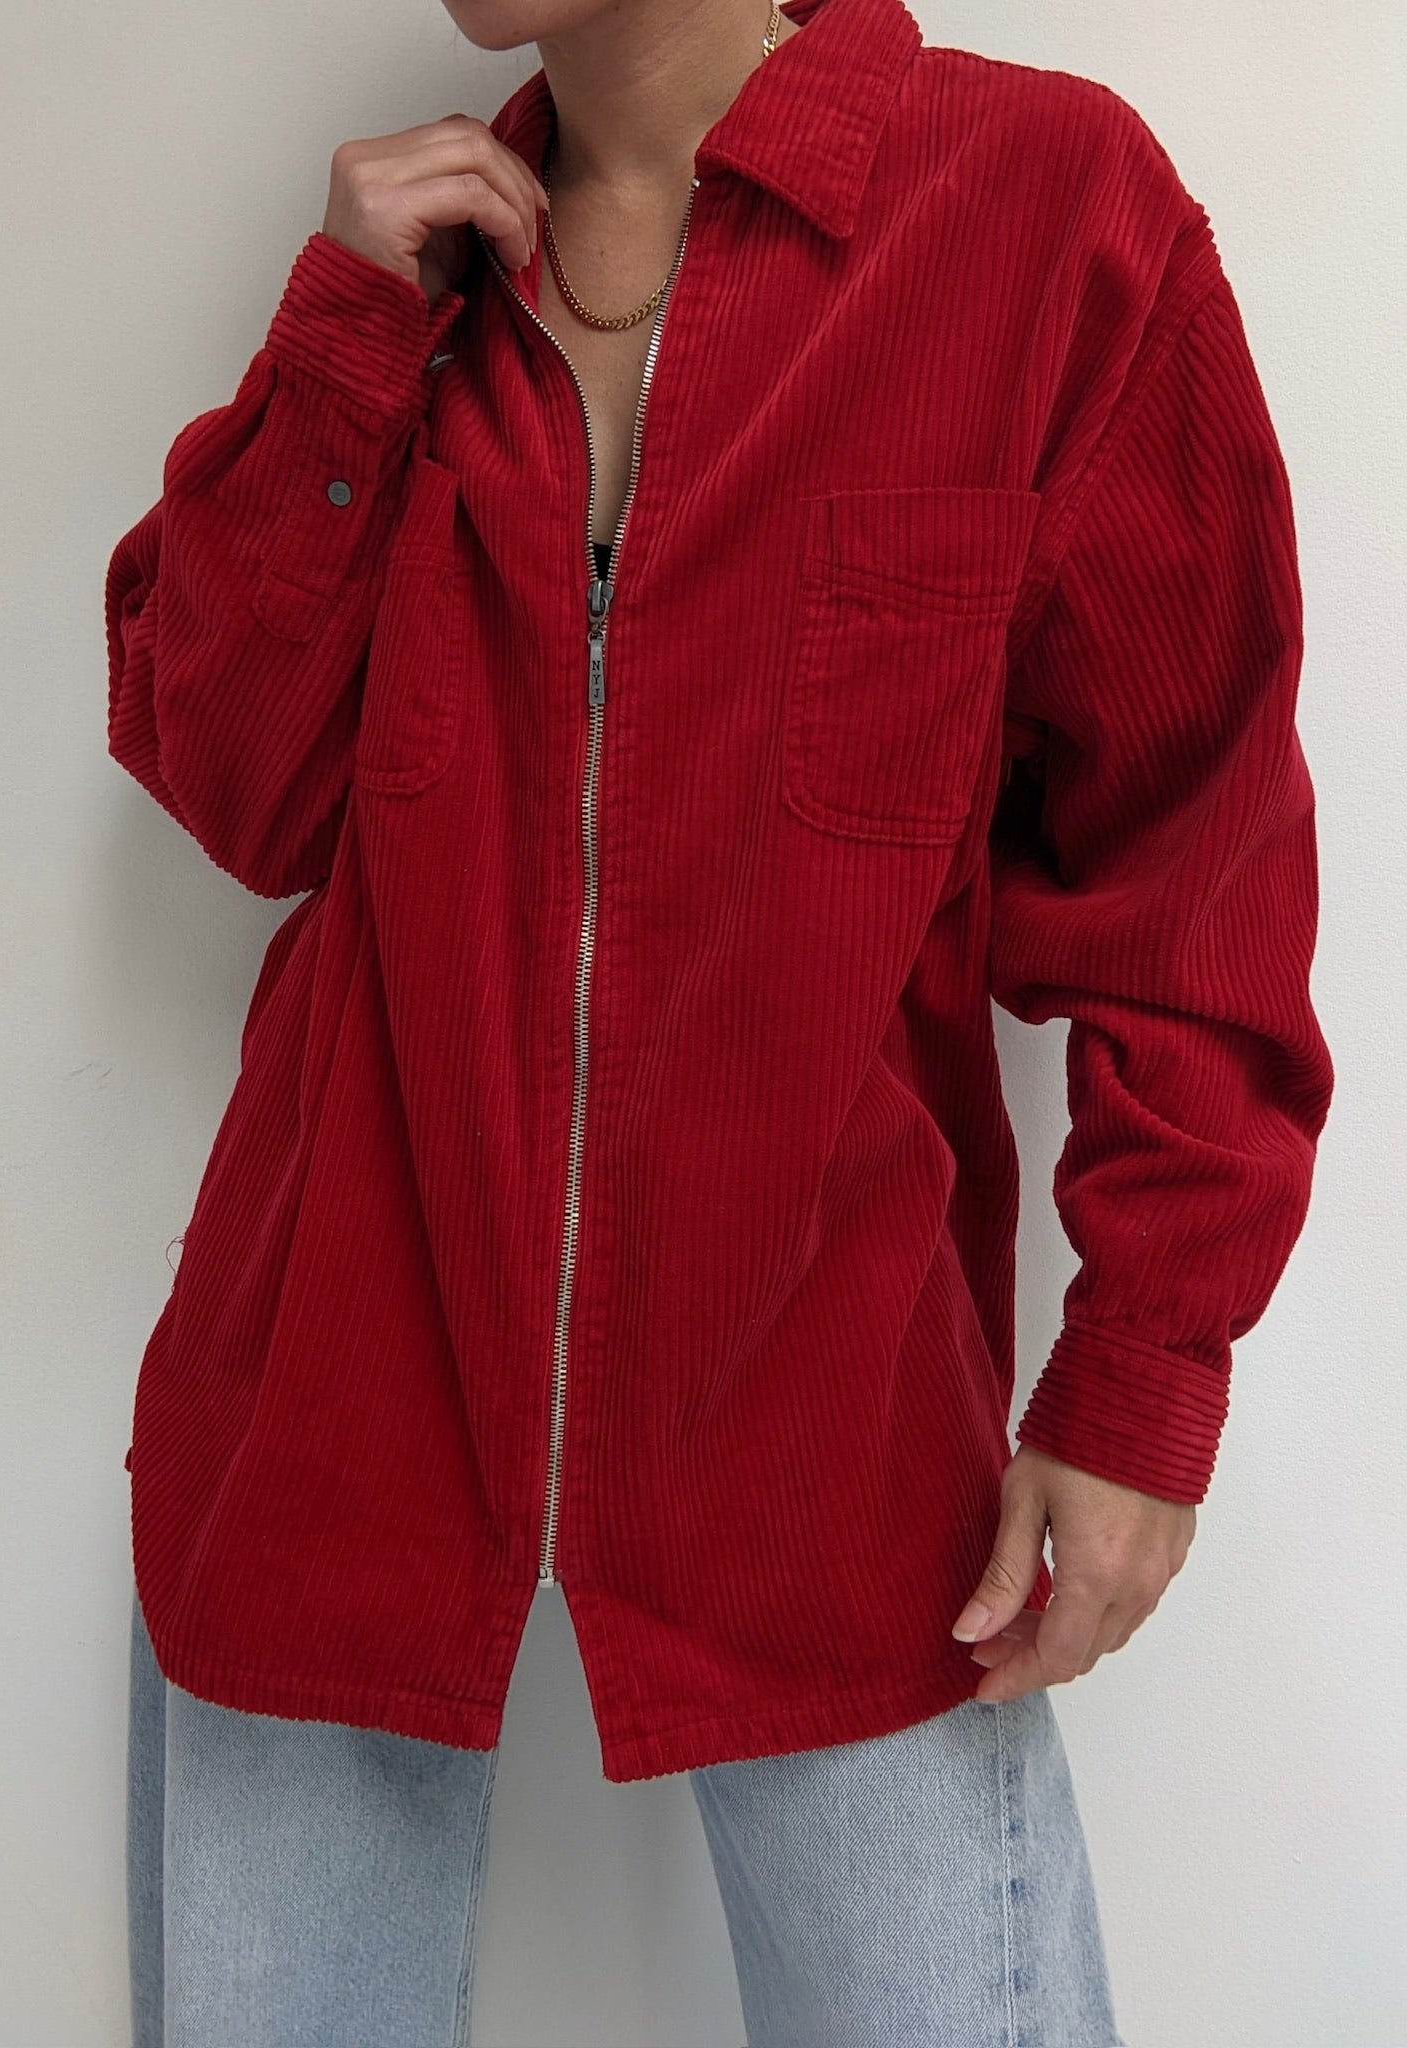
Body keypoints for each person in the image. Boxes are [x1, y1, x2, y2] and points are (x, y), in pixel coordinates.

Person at [106, 0, 1334, 2039]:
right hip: (320, 1431)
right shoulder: (419, 281)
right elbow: (230, 786)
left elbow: (1191, 843)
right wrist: (340, 344)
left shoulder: (1040, 210)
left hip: (841, 1454)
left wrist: (1144, 1370)